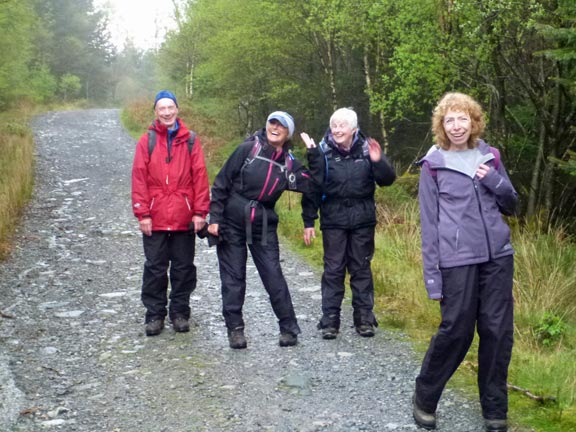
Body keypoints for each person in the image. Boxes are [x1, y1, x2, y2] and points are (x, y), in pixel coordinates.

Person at [413, 92, 517, 432]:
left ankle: (494, 410)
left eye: (463, 118)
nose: (457, 126)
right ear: (441, 126)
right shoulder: (433, 165)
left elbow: (512, 203)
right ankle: (425, 397)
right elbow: (429, 225)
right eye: (449, 120)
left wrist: (494, 180)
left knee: (497, 332)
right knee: (456, 330)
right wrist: (433, 278)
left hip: (498, 258)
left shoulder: (491, 156)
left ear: (474, 121)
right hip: (456, 261)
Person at [207, 111, 311, 349]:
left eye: (281, 125)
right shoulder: (248, 149)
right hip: (232, 221)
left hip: (263, 223)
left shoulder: (289, 162)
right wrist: (215, 218)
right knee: (233, 278)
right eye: (271, 123)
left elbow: (313, 184)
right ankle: (235, 330)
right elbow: (222, 182)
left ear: (288, 133)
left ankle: (289, 328)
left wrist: (314, 155)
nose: (275, 127)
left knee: (273, 276)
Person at [300, 107, 396, 340]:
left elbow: (387, 180)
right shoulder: (322, 151)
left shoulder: (366, 150)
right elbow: (314, 186)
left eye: (342, 125)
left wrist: (378, 161)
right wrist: (309, 220)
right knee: (333, 270)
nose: (337, 129)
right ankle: (330, 320)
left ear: (354, 129)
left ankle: (364, 319)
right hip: (333, 219)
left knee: (361, 268)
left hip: (363, 219)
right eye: (334, 125)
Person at [131, 90, 210, 336]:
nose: (166, 112)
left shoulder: (190, 140)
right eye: (161, 108)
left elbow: (200, 176)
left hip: (184, 217)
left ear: (177, 109)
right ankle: (154, 315)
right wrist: (142, 214)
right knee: (155, 268)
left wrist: (200, 212)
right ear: (155, 112)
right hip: (154, 218)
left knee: (183, 268)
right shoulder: (147, 140)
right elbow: (139, 178)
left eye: (170, 107)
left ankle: (179, 313)